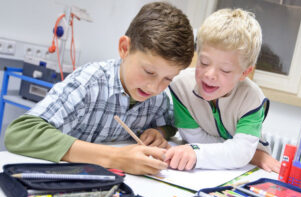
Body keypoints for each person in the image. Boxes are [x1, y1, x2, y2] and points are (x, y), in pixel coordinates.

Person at [4, 2, 194, 175]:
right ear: (124, 48)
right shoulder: (89, 83)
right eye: (148, 71)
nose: (155, 87)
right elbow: (20, 133)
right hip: (63, 178)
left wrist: (159, 132)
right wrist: (114, 157)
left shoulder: (157, 98)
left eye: (168, 78)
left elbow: (170, 123)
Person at [165, 8, 280, 172]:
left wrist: (245, 154)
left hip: (246, 171)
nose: (210, 75)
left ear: (245, 73)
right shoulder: (180, 87)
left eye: (225, 70)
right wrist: (248, 153)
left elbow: (241, 152)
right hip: (201, 172)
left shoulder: (252, 98)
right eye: (204, 62)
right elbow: (194, 138)